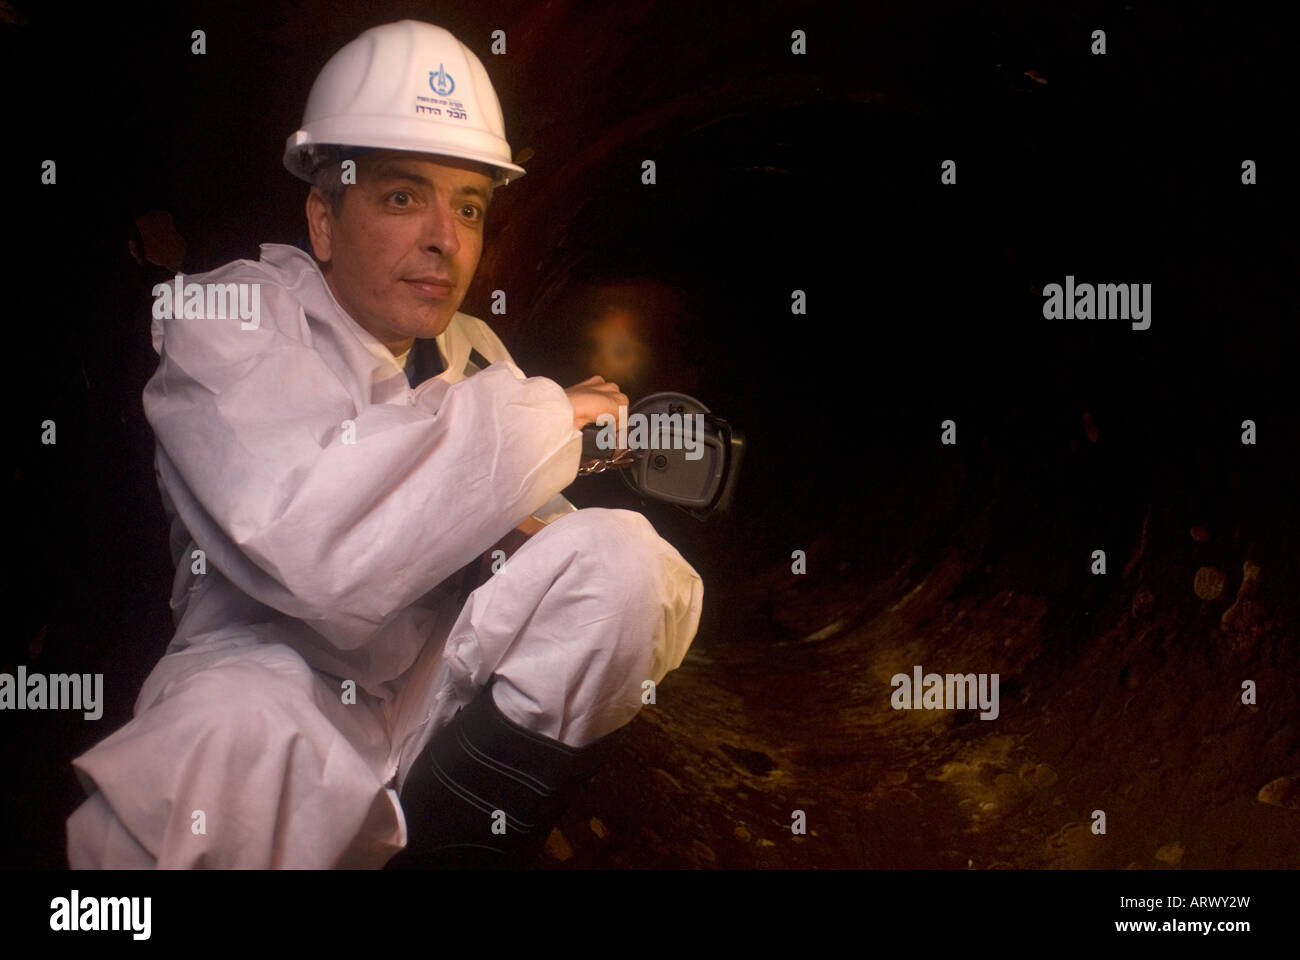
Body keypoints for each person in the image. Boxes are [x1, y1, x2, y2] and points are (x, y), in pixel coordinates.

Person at [64, 19, 704, 869]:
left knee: (625, 567)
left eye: (468, 206)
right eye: (403, 196)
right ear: (323, 219)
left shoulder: (478, 351)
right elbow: (315, 546)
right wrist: (553, 418)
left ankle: (463, 836)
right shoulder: (226, 321)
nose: (445, 237)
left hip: (429, 693)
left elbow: (508, 523)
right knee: (215, 751)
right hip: (274, 686)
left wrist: (546, 511)